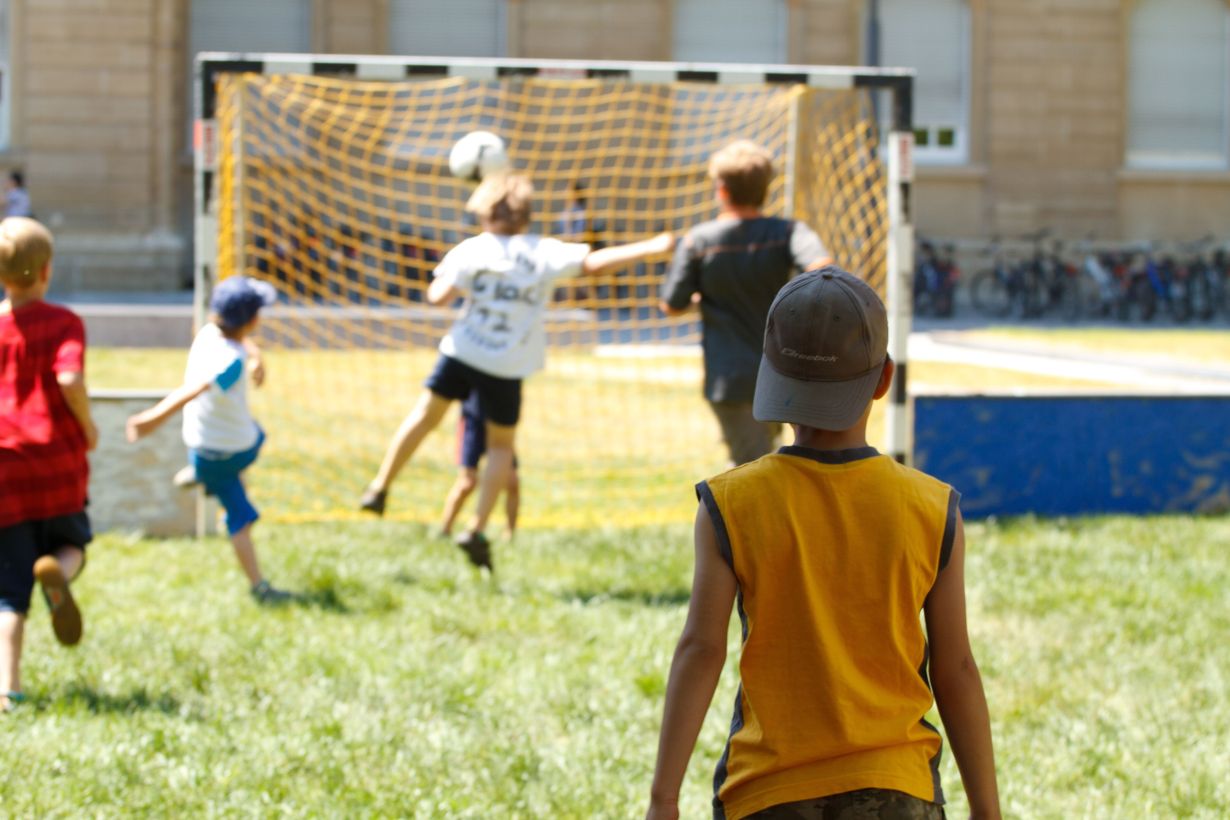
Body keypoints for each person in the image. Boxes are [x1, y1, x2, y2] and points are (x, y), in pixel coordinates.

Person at [646, 268, 1000, 820]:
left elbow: (701, 649)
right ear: (883, 379)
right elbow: (955, 669)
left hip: (767, 792)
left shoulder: (729, 503)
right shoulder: (933, 507)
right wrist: (987, 810)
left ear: (770, 375)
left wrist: (663, 798)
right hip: (899, 789)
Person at [359, 172, 674, 570]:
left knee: (425, 416)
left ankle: (380, 486)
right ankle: (475, 528)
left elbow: (437, 296)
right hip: (507, 366)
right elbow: (593, 263)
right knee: (501, 448)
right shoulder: (542, 251)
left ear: (485, 212)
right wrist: (652, 246)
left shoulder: (472, 249)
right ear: (526, 215)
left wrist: (475, 286)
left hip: (463, 350)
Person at [659, 140, 832, 467]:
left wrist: (701, 299)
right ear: (766, 188)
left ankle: (727, 519)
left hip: (730, 378)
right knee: (765, 466)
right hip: (784, 374)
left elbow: (670, 304)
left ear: (721, 190)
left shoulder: (698, 240)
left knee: (750, 471)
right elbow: (823, 269)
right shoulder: (788, 232)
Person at [125, 276, 290, 605]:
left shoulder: (209, 333)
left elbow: (242, 343)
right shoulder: (231, 362)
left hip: (201, 442)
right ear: (252, 320)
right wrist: (151, 419)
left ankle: (199, 473)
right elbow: (196, 387)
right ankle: (259, 586)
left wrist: (257, 357)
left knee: (256, 438)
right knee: (240, 517)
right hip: (229, 452)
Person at [0, 217, 97, 712]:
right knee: (74, 540)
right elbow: (68, 376)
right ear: (46, 270)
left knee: (7, 592)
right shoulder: (64, 322)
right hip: (57, 462)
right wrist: (89, 426)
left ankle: (8, 690)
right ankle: (56, 569)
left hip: (5, 471)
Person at [438, 391, 520, 540]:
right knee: (467, 483)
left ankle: (509, 536)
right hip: (474, 422)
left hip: (500, 423)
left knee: (512, 483)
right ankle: (445, 531)